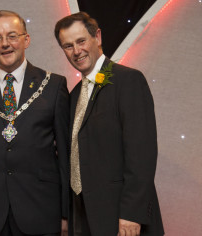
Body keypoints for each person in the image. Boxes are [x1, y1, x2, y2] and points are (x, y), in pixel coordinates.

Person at [0, 10, 70, 236]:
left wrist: (67, 213)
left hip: (41, 212)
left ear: (26, 40)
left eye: (12, 36)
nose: (5, 44)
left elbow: (66, 154)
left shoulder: (54, 85)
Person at [54, 12, 164, 236]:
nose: (76, 51)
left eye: (81, 41)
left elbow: (141, 153)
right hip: (83, 216)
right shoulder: (74, 95)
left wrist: (132, 213)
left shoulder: (128, 80)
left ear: (98, 37)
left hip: (122, 218)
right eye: (68, 46)